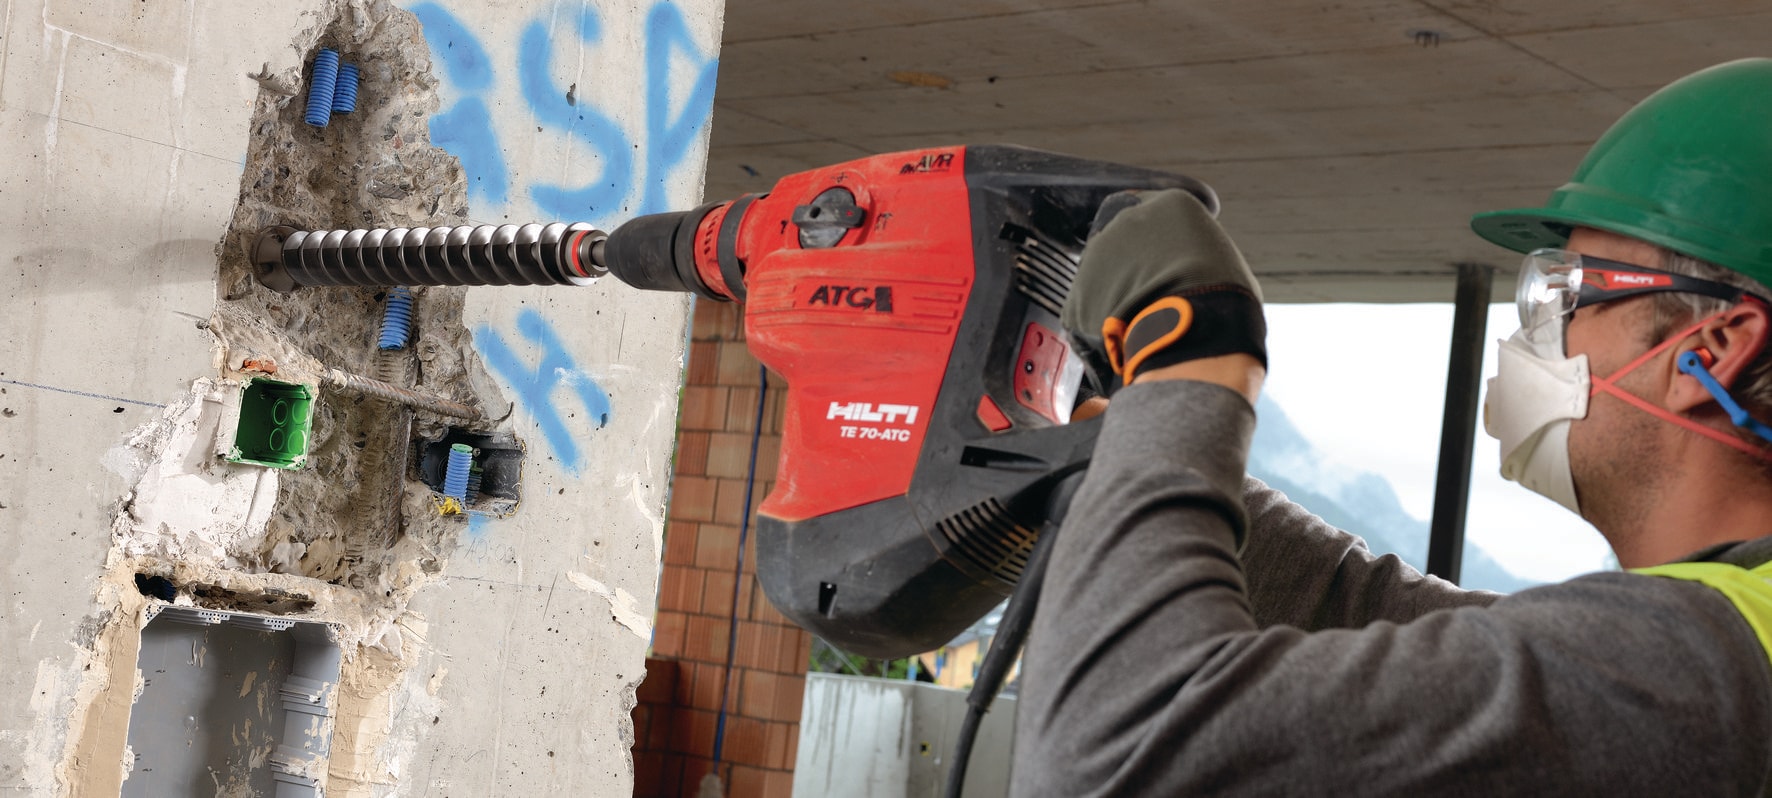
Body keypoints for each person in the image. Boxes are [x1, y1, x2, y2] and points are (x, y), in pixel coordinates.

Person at [1014, 58, 1772, 796]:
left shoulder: (1694, 672)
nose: (1537, 334)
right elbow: (1360, 611)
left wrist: (1193, 355)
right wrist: (1124, 448)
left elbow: (1120, 751)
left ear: (1709, 352)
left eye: (1569, 294)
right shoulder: (1720, 648)